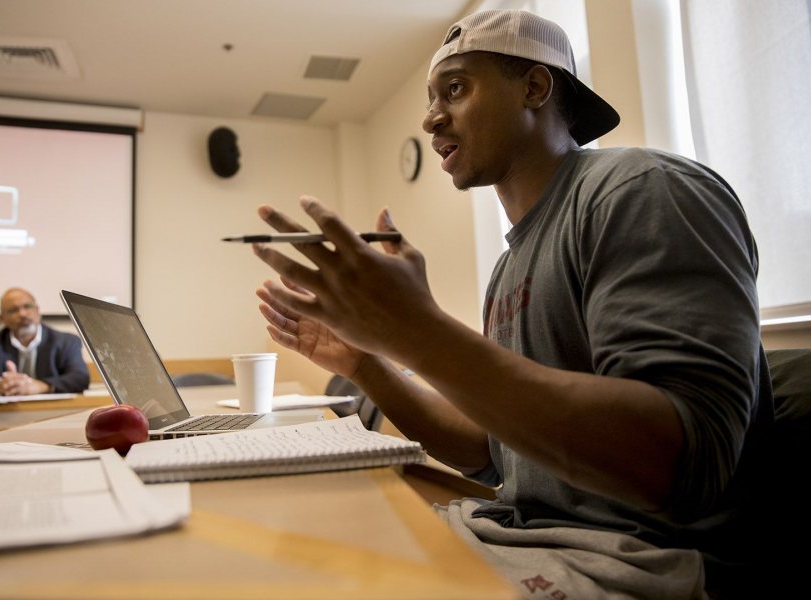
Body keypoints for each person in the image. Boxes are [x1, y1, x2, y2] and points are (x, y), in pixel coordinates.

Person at [251, 9, 771, 599]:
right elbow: (491, 453)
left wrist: (417, 333)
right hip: (521, 535)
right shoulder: (508, 267)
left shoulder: (641, 190)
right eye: (430, 98)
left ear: (534, 87)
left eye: (455, 88)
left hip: (640, 563)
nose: (429, 118)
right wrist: (368, 363)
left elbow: (682, 463)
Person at [0, 287, 90, 396]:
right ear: (2, 318)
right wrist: (1, 385)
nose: (22, 314)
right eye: (13, 310)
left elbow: (80, 378)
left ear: (37, 310)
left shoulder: (66, 341)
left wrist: (40, 386)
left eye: (27, 306)